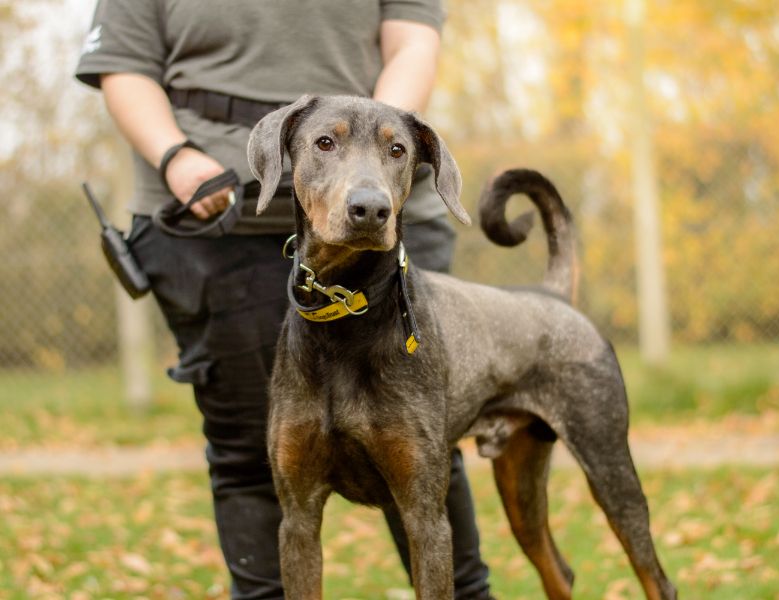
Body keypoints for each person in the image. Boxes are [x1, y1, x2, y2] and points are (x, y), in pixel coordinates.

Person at [75, 2, 493, 599]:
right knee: (251, 452)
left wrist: (370, 152)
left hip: (383, 210)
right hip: (214, 212)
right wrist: (174, 156)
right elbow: (125, 63)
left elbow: (412, 44)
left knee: (425, 440)